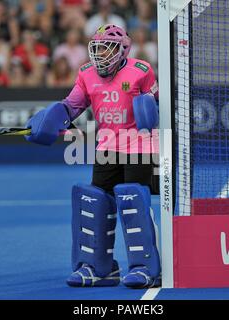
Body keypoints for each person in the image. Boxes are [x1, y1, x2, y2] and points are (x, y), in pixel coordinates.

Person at [25, 24, 161, 288]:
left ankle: (146, 268)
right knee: (96, 204)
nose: (100, 53)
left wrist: (150, 110)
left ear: (122, 50)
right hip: (106, 148)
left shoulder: (141, 71)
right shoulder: (86, 73)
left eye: (107, 48)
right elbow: (72, 105)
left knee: (134, 203)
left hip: (140, 147)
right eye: (97, 47)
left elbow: (155, 107)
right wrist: (48, 121)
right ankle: (101, 269)